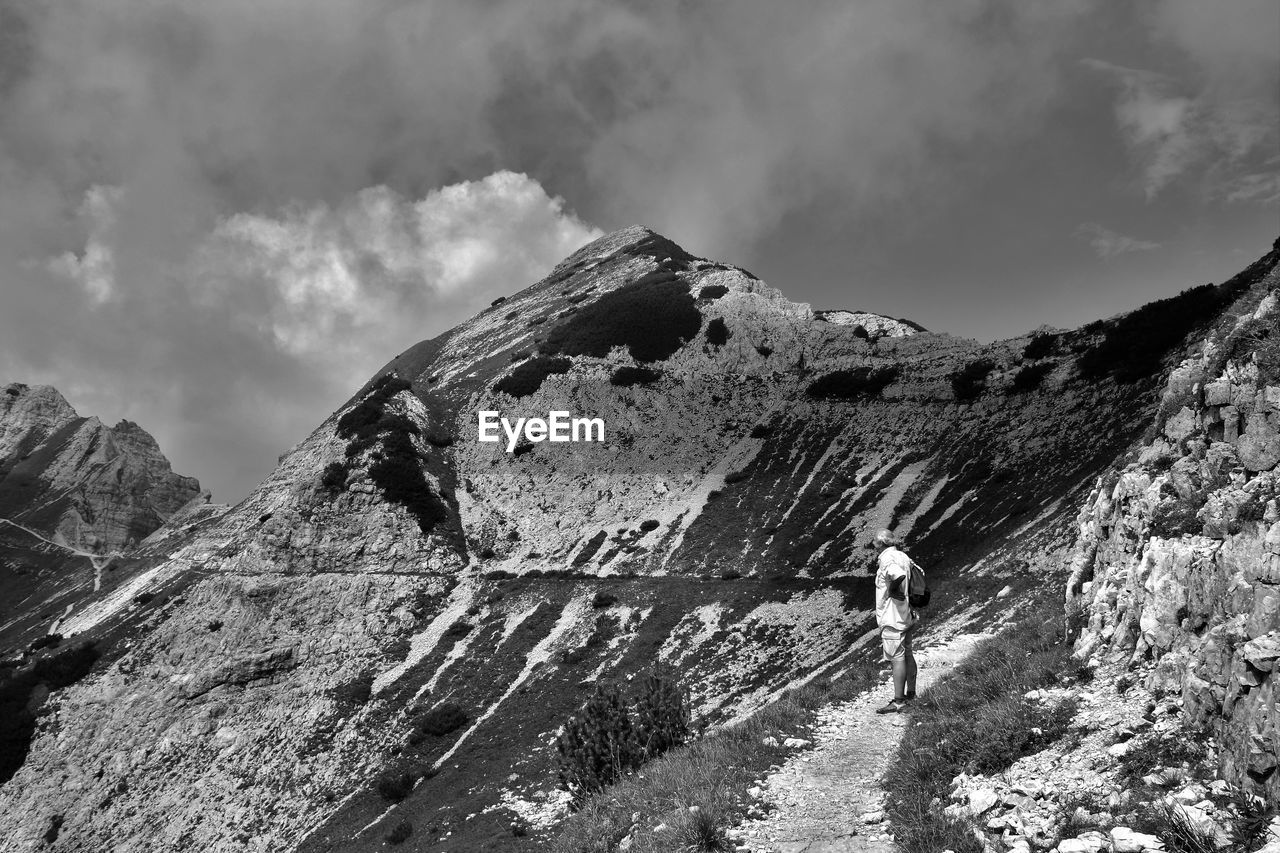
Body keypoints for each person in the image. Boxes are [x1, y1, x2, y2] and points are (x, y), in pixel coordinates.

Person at [872, 528, 918, 714]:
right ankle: (911, 694)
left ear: (881, 543)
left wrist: (892, 592)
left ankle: (899, 701)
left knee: (896, 657)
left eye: (875, 542)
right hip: (906, 613)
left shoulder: (886, 559)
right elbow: (915, 573)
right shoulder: (903, 556)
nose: (873, 546)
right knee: (907, 652)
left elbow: (896, 575)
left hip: (893, 617)